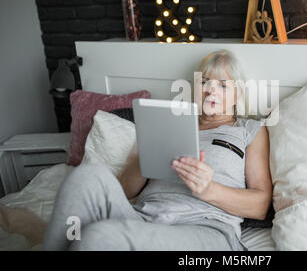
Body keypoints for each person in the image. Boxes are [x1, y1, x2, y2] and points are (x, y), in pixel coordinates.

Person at [42, 50, 272, 251]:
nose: (210, 90)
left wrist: (208, 189)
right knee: (85, 175)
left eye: (223, 85)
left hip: (204, 226)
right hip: (143, 217)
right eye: (204, 82)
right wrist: (151, 154)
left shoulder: (248, 129)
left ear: (238, 94)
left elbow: (260, 206)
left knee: (97, 236)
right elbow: (125, 191)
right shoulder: (167, 121)